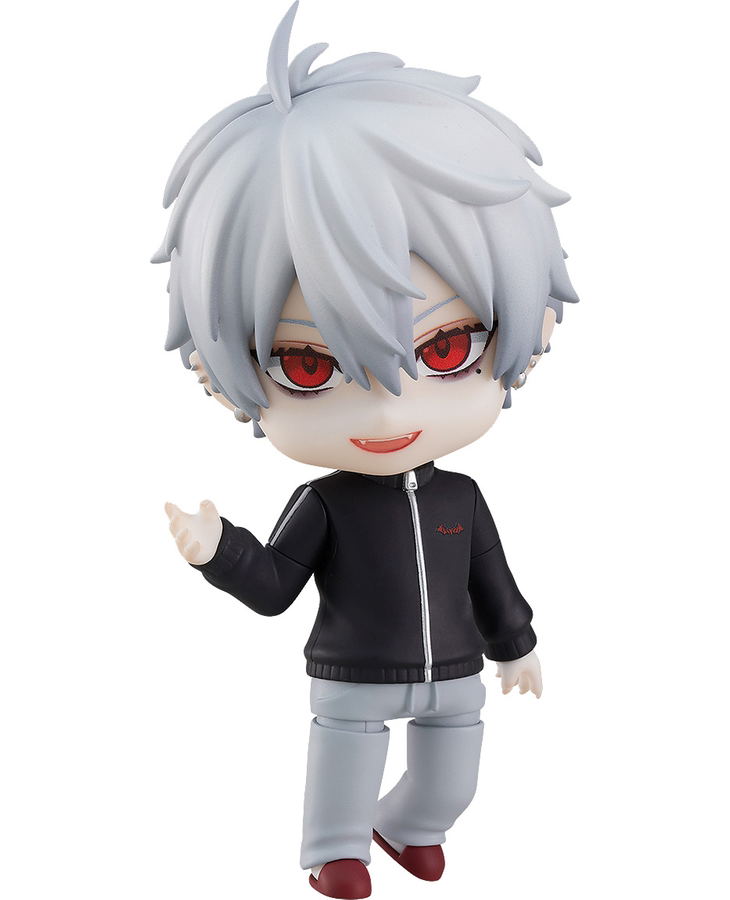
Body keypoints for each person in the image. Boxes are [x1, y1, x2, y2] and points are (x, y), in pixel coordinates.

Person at [155, 4, 578, 897]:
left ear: (527, 327)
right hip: (352, 677)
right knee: (342, 762)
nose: (388, 408)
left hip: (455, 670)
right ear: (225, 373)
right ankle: (336, 848)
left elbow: (492, 580)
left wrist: (518, 644)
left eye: (445, 348)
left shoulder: (462, 498)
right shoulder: (326, 503)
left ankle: (409, 826)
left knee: (455, 778)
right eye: (309, 365)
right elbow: (275, 588)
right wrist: (218, 548)